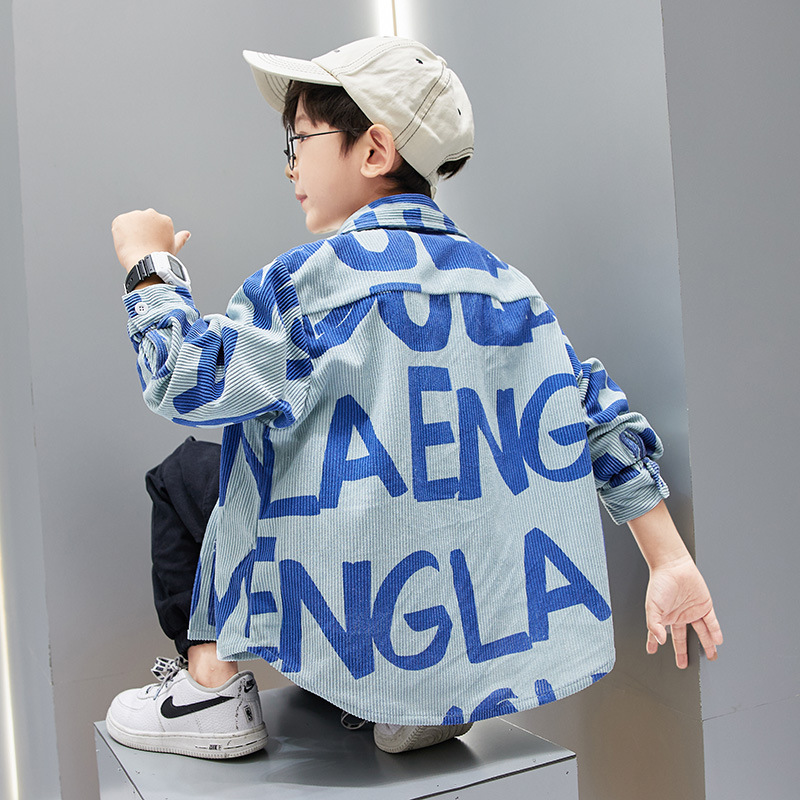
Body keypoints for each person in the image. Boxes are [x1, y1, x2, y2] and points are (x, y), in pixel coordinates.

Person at [106, 36, 722, 760]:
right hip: (454, 610)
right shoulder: (508, 289)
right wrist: (669, 561)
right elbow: (590, 410)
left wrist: (149, 267)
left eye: (299, 140)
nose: (290, 165)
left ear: (374, 150)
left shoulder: (303, 287)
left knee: (188, 470)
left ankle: (210, 688)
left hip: (345, 587)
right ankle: (420, 691)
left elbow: (181, 377)